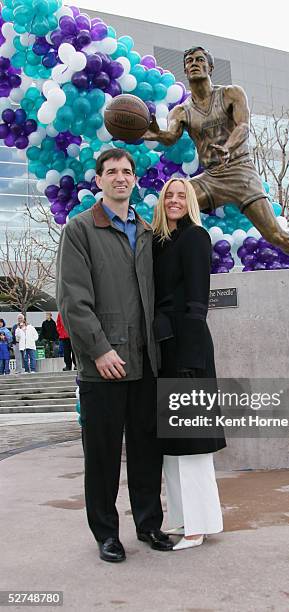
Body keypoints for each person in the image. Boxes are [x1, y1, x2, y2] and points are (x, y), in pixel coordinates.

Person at [56, 148, 173, 563]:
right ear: (99, 180)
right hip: (102, 366)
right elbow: (73, 301)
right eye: (111, 172)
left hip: (146, 364)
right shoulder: (80, 230)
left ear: (135, 179)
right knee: (103, 457)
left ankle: (149, 525)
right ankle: (106, 533)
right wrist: (100, 350)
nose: (120, 178)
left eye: (126, 171)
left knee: (147, 452)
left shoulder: (146, 231)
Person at [144, 46, 289, 270]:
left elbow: (243, 126)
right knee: (170, 205)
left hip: (240, 171)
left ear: (210, 67)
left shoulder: (231, 94)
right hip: (212, 177)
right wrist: (158, 134)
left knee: (275, 234)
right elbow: (170, 137)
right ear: (185, 69)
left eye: (200, 59)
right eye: (190, 61)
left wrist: (228, 148)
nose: (194, 63)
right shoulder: (182, 111)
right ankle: (168, 265)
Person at [152, 177, 226, 551]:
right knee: (172, 444)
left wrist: (190, 358)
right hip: (165, 349)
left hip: (188, 351)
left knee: (192, 443)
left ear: (191, 202)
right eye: (170, 195)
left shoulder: (196, 237)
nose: (175, 200)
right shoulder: (160, 241)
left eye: (182, 196)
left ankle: (199, 526)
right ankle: (182, 520)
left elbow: (199, 300)